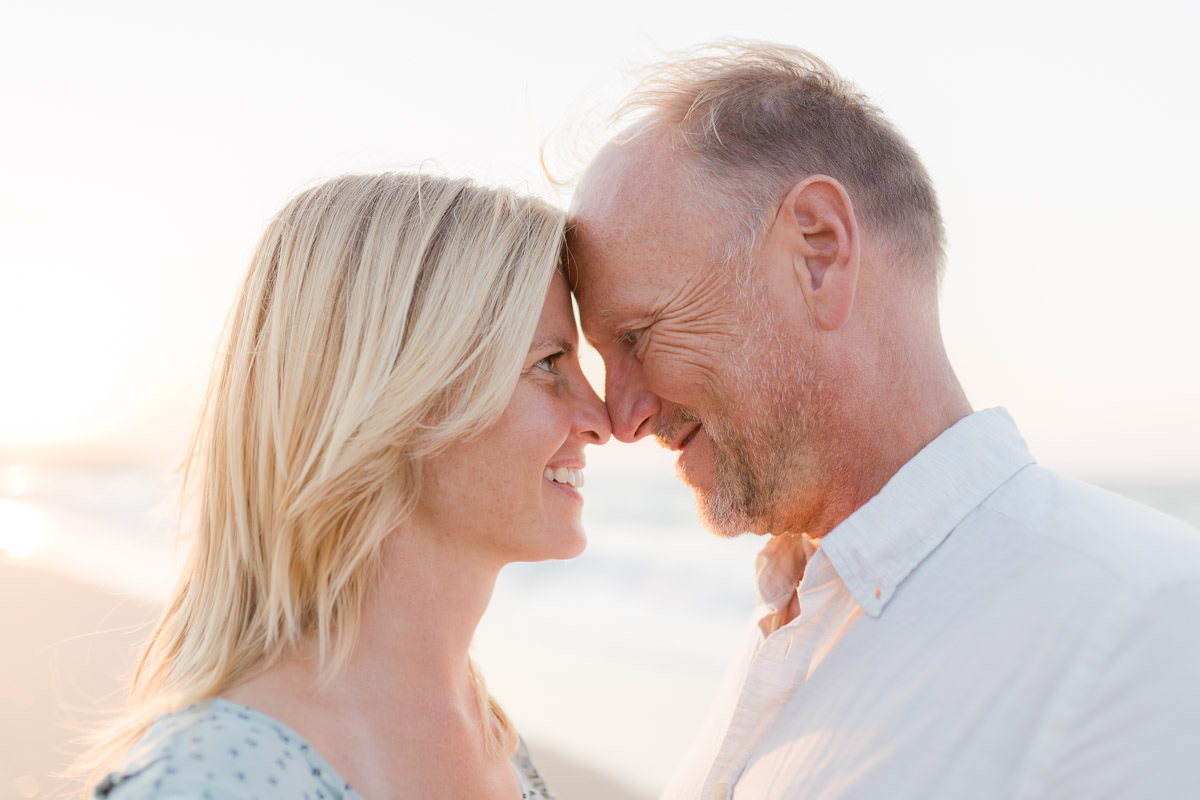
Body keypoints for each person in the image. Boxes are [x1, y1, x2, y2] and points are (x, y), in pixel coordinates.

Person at [567, 41, 1200, 799]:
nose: (622, 415)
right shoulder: (794, 621)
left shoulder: (1150, 629)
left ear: (818, 253)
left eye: (636, 337)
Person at [81, 172, 610, 798]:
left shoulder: (486, 731)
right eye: (548, 364)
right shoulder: (217, 777)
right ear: (396, 397)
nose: (601, 420)